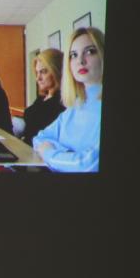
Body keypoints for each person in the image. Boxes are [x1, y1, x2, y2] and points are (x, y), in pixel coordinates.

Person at [34, 27, 103, 172]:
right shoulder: (76, 105)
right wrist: (68, 156)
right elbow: (40, 138)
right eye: (74, 55)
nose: (80, 61)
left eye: (90, 51)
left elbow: (89, 164)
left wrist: (51, 154)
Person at [21, 48, 64, 145]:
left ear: (56, 71)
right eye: (37, 72)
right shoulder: (42, 98)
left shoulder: (62, 101)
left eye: (43, 72)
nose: (38, 78)